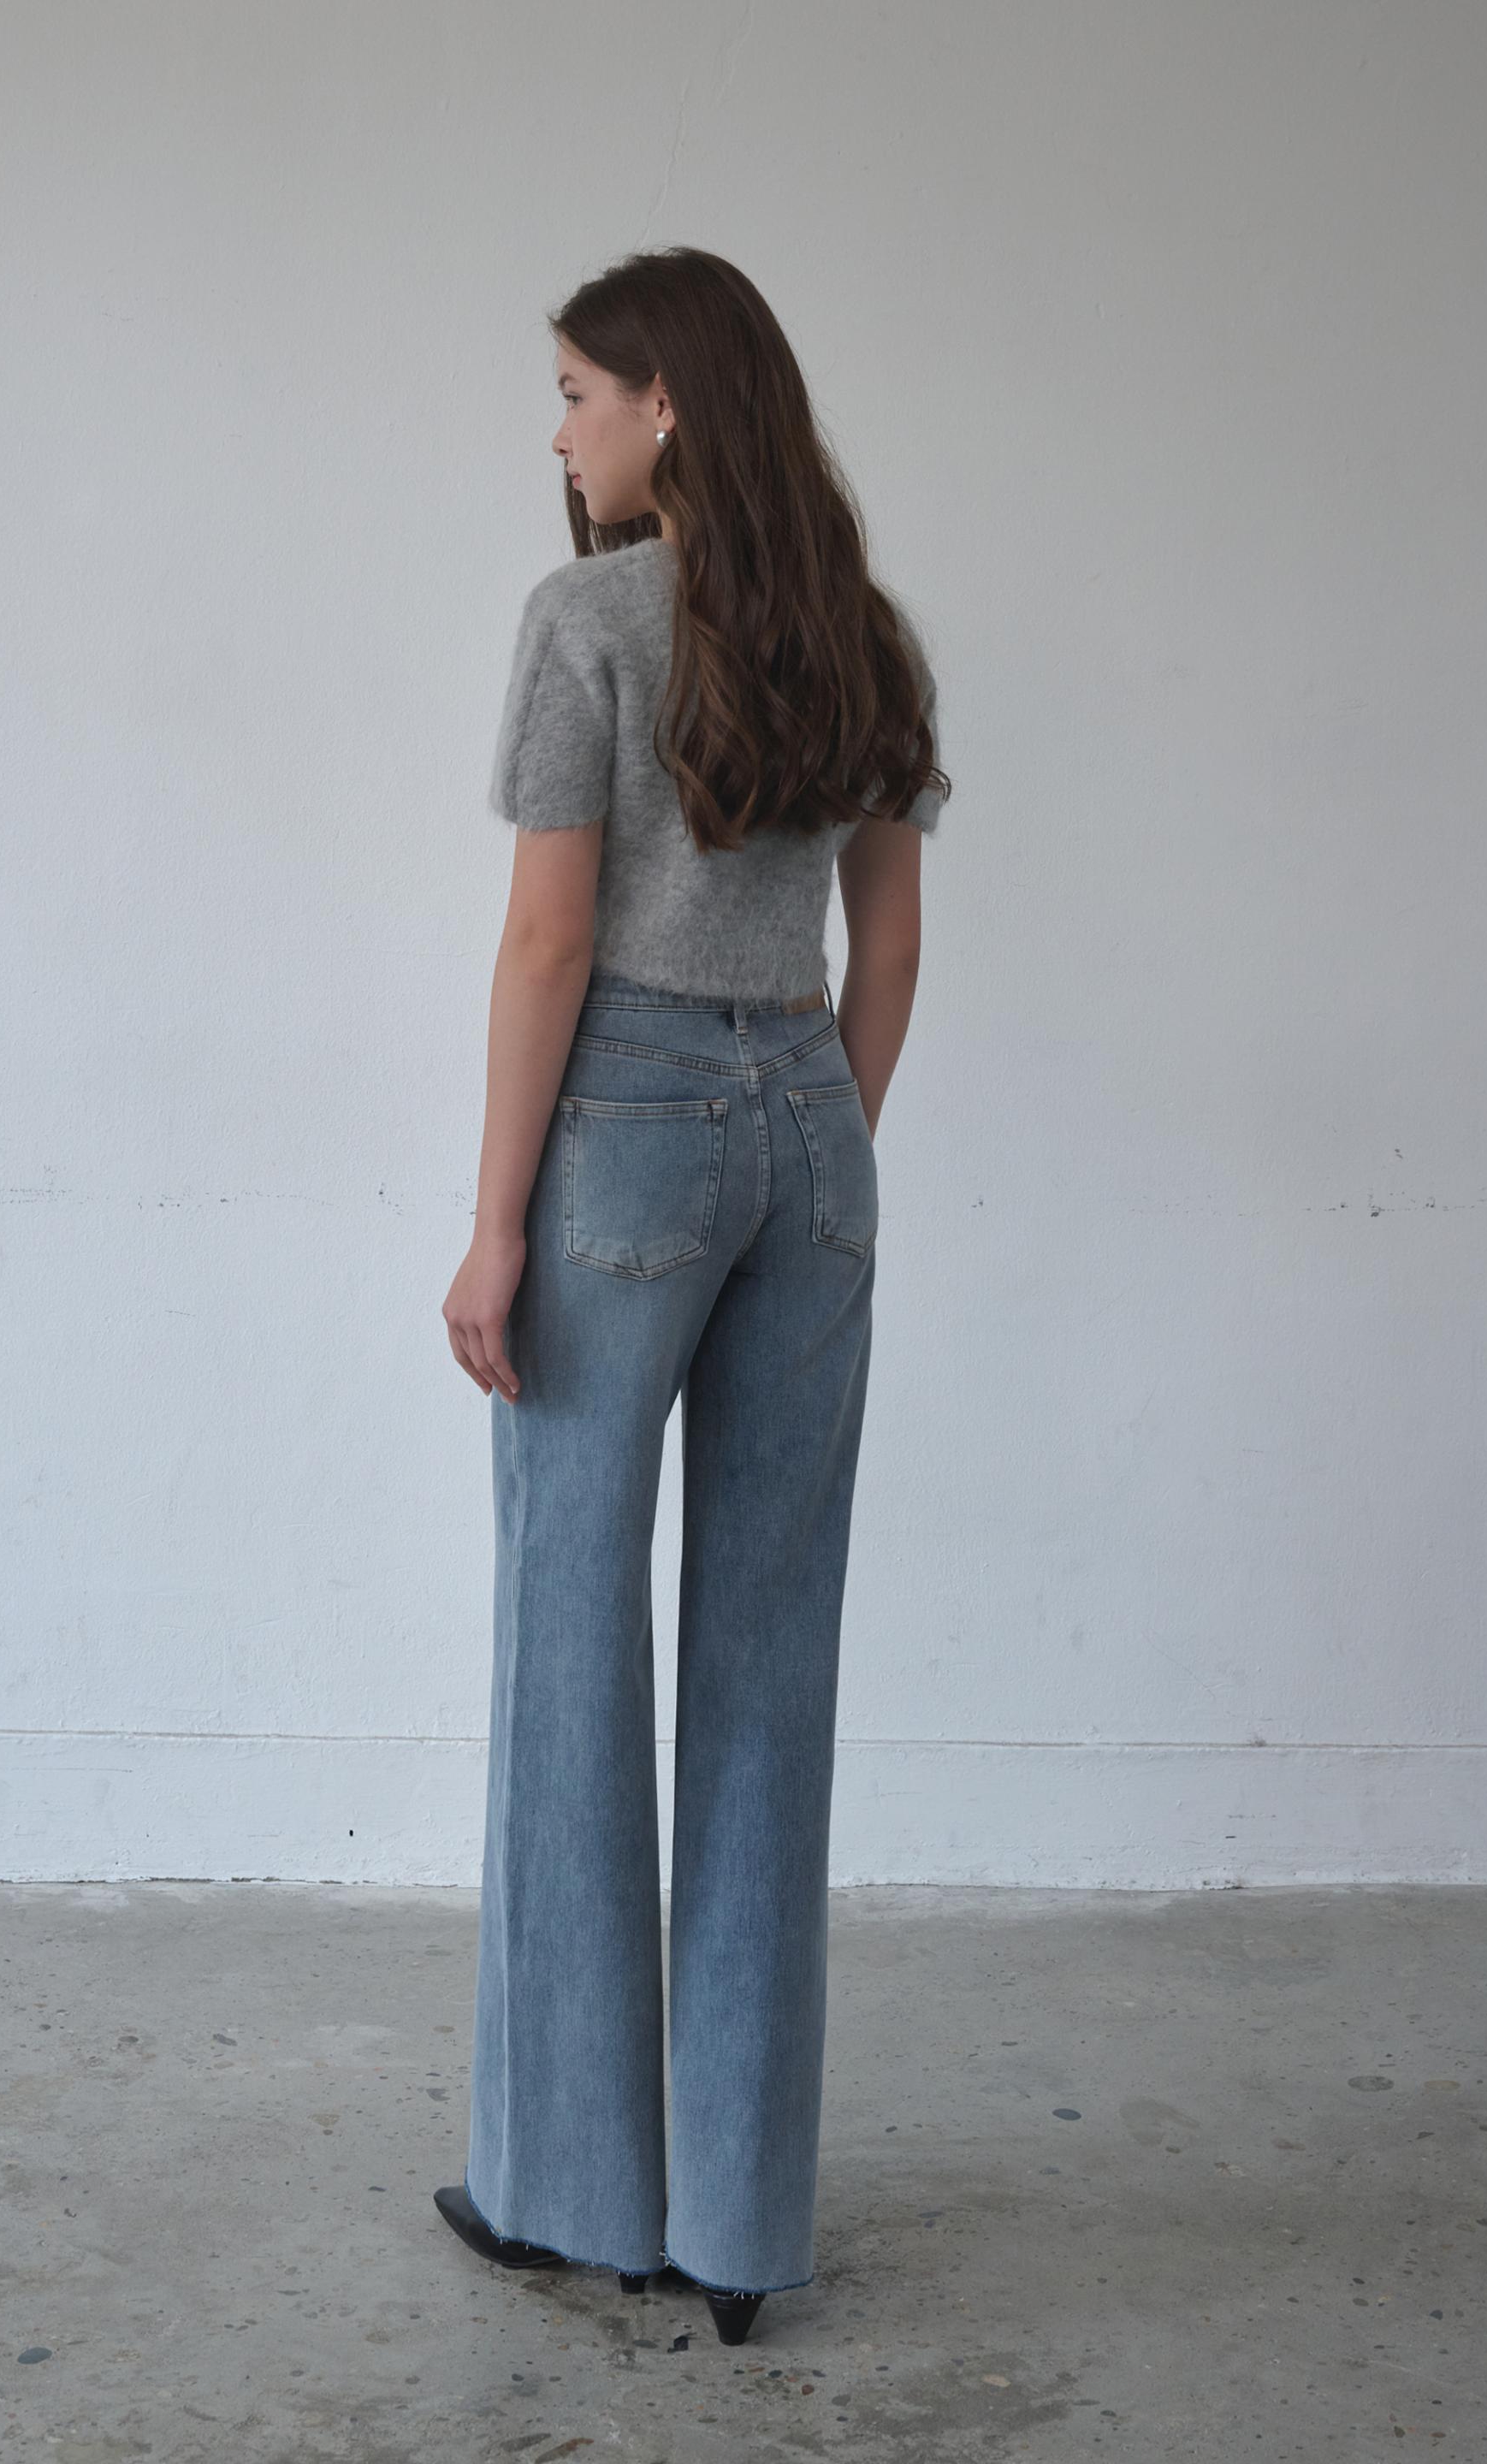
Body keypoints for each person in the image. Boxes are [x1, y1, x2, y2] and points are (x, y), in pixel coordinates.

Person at [434, 246, 950, 2348]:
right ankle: (736, 2229)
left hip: (626, 1128)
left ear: (668, 405)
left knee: (571, 1643)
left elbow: (549, 945)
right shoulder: (863, 632)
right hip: (812, 1126)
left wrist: (495, 1226)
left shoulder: (585, 623)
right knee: (768, 1663)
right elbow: (885, 947)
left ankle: (568, 2193)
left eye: (578, 391)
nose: (558, 432)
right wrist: (814, 1140)